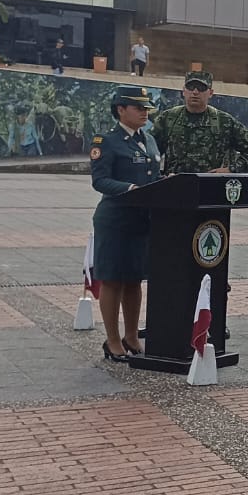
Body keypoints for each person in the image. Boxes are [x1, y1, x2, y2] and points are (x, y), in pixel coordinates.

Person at [89, 85, 160, 362]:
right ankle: (113, 339)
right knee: (113, 280)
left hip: (142, 220)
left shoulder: (149, 140)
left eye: (146, 108)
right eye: (138, 108)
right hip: (116, 219)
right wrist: (130, 188)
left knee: (134, 280)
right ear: (121, 109)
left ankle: (132, 336)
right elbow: (100, 180)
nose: (144, 113)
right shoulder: (106, 141)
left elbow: (153, 176)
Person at [150, 70, 248, 175]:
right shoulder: (168, 119)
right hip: (175, 187)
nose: (195, 92)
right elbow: (149, 153)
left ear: (210, 93)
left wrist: (231, 170)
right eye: (191, 87)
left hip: (211, 189)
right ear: (184, 91)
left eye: (201, 88)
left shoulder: (224, 122)